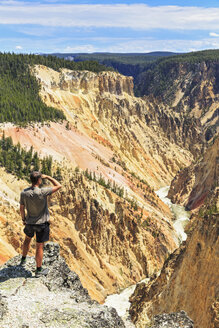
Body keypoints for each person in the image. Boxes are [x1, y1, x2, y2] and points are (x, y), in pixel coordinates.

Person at [19, 171, 62, 277]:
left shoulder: (24, 193)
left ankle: (23, 260)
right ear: (39, 180)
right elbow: (58, 185)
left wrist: (23, 219)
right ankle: (38, 271)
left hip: (29, 222)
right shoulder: (43, 191)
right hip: (42, 224)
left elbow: (21, 208)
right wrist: (48, 177)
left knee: (27, 240)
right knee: (39, 246)